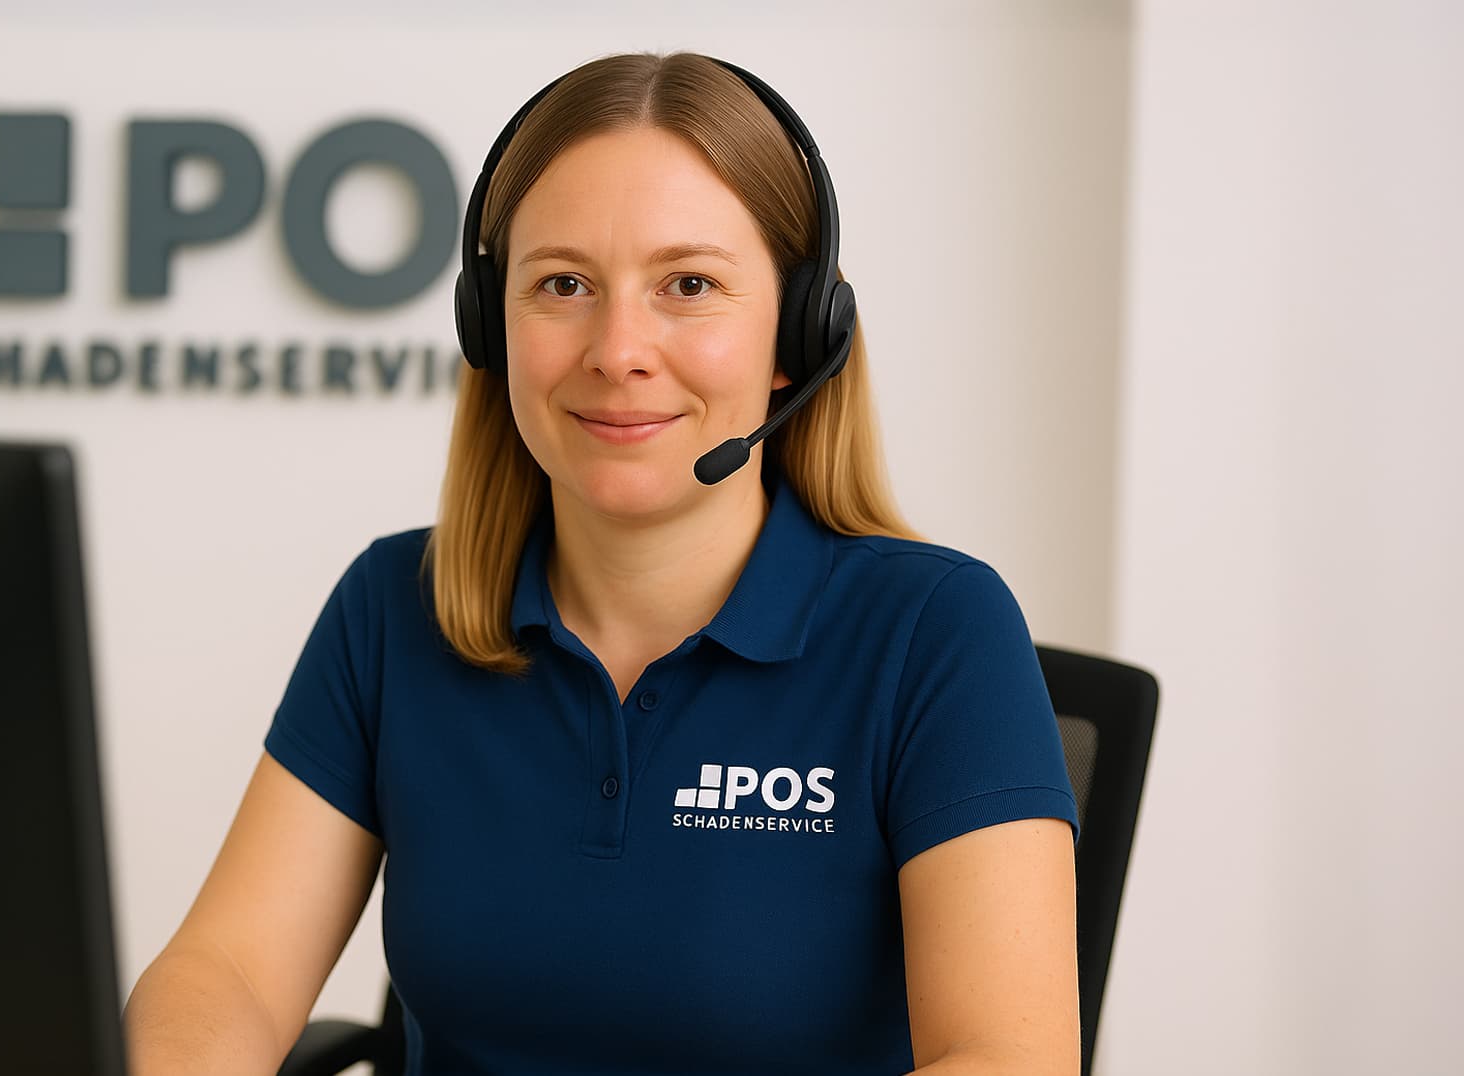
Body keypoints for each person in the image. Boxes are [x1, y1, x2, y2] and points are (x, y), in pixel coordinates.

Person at [125, 52, 1080, 1075]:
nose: (618, 347)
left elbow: (1006, 1056)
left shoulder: (934, 631)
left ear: (799, 334)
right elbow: (224, 970)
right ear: (490, 324)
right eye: (564, 283)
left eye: (690, 284)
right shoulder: (396, 609)